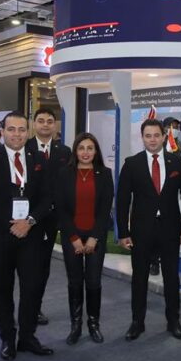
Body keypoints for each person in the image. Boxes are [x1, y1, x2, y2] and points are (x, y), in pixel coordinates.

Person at [0, 112, 54, 360]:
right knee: (2, 289)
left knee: (32, 288)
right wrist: (10, 224)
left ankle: (28, 337)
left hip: (31, 235)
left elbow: (48, 197)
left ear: (28, 132)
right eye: (11, 129)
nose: (17, 134)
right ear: (2, 131)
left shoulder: (38, 158)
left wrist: (29, 221)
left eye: (21, 129)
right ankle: (7, 338)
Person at [117, 119, 181, 341]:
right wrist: (123, 232)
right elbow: (122, 201)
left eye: (156, 135)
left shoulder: (178, 162)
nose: (152, 140)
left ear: (164, 136)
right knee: (139, 278)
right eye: (148, 136)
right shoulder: (132, 164)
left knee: (171, 278)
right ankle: (137, 323)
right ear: (142, 138)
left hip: (170, 229)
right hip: (141, 231)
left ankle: (173, 322)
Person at [56, 133, 114, 344]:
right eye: (81, 148)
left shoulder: (105, 174)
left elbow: (105, 210)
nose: (86, 152)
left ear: (96, 151)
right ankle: (76, 325)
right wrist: (73, 238)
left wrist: (94, 238)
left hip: (94, 238)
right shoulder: (64, 174)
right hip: (72, 237)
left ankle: (93, 324)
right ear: (75, 151)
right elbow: (61, 209)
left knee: (93, 281)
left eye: (90, 148)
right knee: (74, 281)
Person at [25, 107, 72, 327]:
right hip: (24, 218)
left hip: (51, 219)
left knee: (42, 266)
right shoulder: (24, 147)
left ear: (55, 125)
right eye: (41, 120)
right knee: (11, 266)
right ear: (34, 124)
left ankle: (35, 308)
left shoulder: (64, 152)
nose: (45, 124)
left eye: (49, 121)